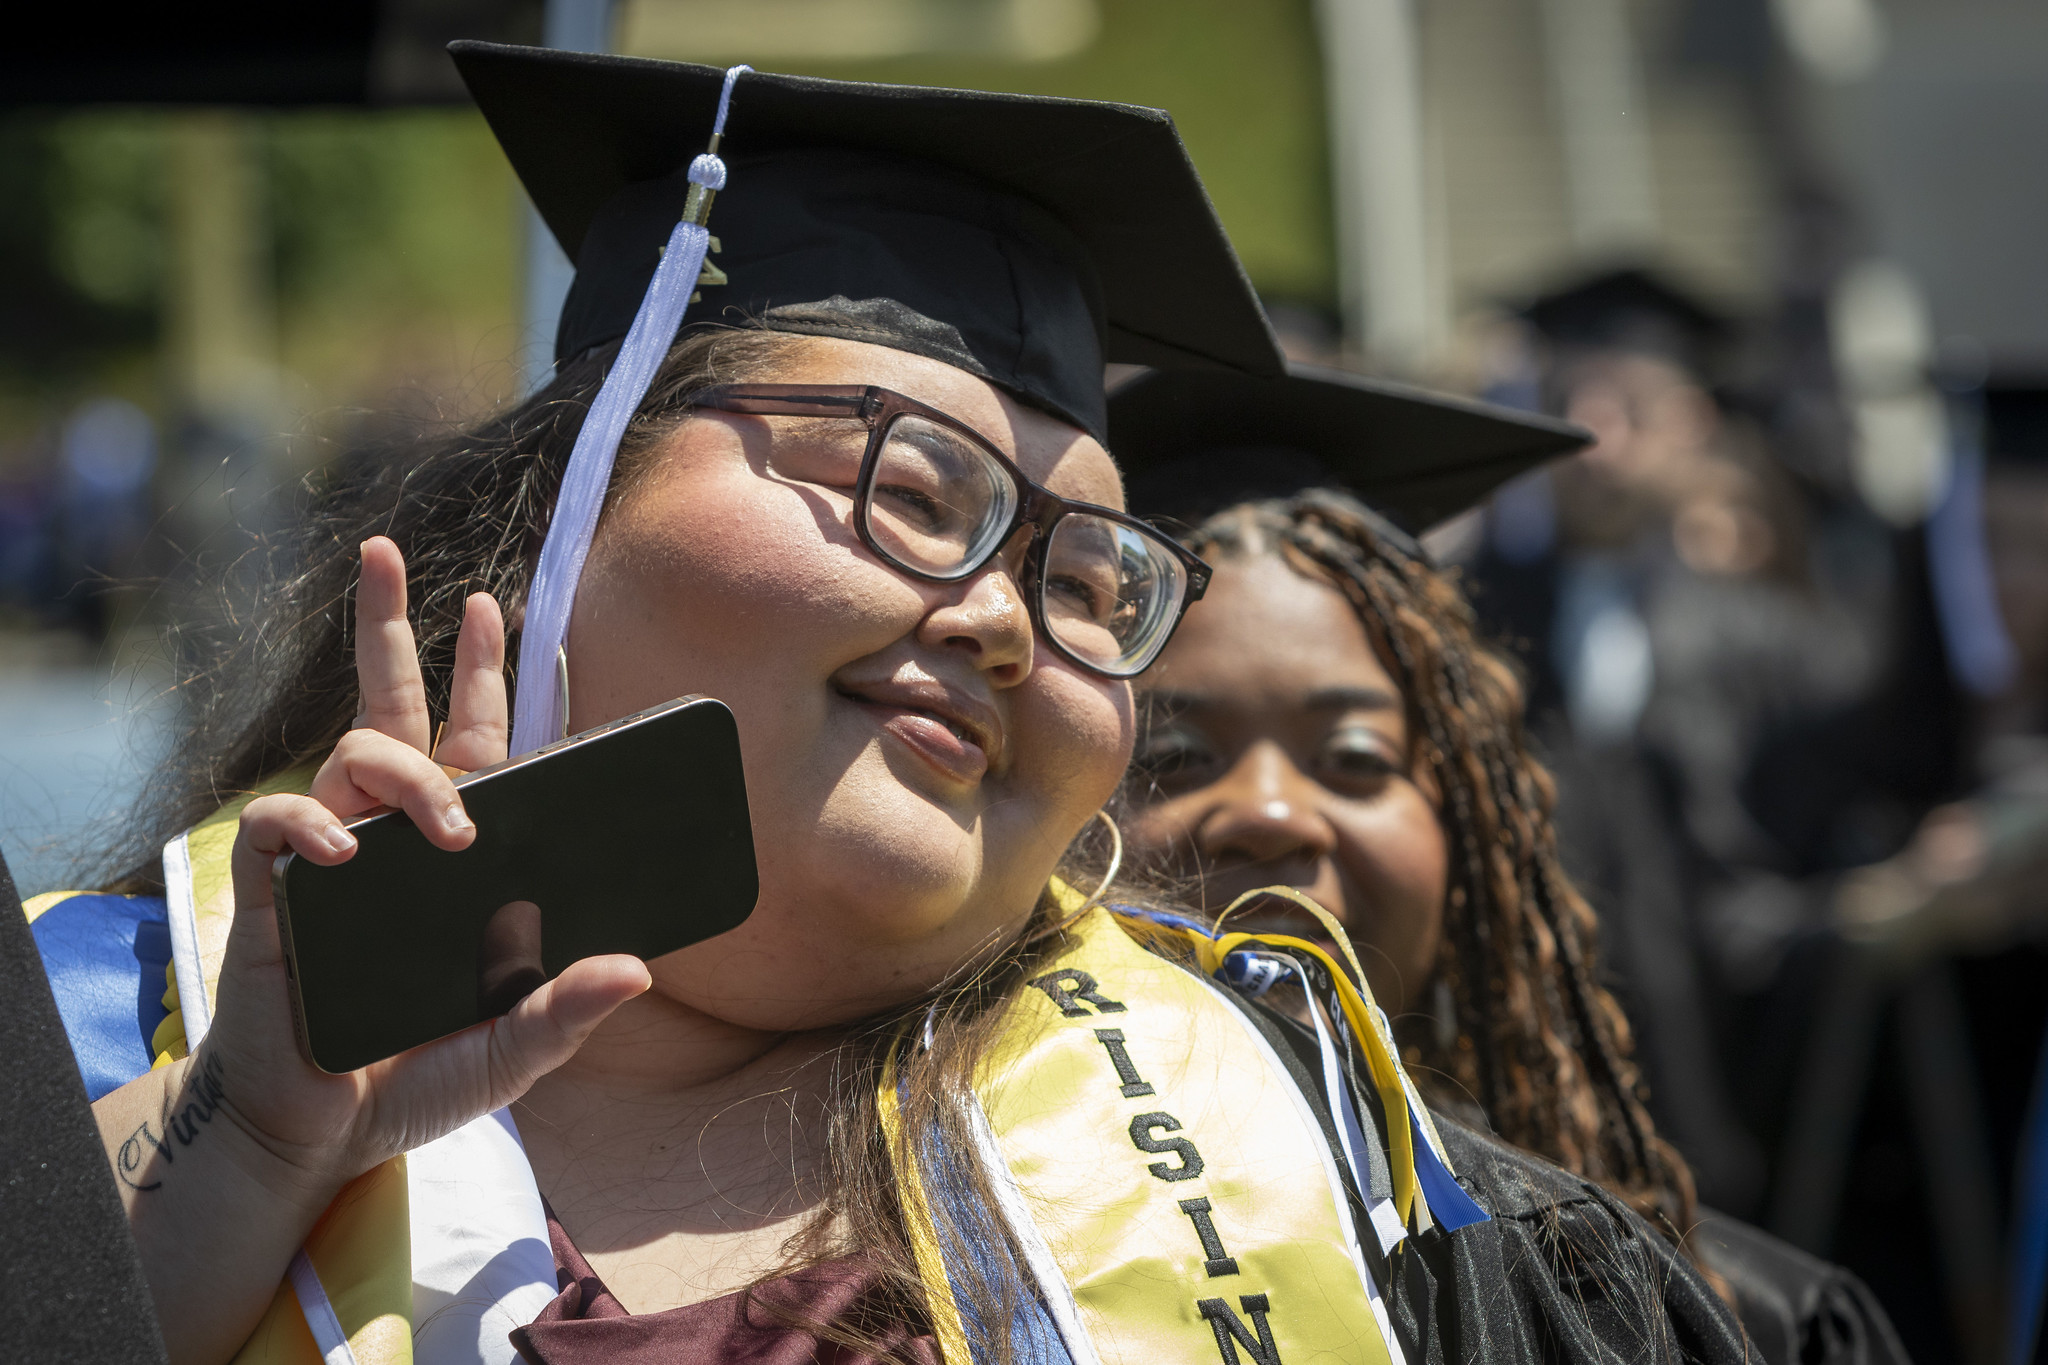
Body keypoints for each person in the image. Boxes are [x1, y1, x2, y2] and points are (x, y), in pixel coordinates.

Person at [26, 43, 1743, 1365]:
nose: (1003, 617)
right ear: (567, 504)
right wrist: (252, 1146)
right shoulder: (89, 1031)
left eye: (1094, 587)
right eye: (911, 491)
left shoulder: (1328, 1174)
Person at [1109, 362, 1911, 1365]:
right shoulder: (940, 1277)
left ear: (1467, 827)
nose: (1269, 813)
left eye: (1353, 758)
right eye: (1174, 755)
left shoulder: (1710, 1329)